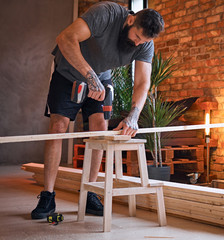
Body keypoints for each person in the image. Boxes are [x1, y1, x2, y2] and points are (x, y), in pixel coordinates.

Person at [31, 1, 164, 219]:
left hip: (101, 77)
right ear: (130, 21)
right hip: (68, 72)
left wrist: (133, 116)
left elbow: (142, 82)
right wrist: (89, 76)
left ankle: (90, 192)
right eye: (136, 37)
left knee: (100, 128)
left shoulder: (145, 44)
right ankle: (47, 195)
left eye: (144, 41)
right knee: (58, 127)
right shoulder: (107, 13)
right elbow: (65, 38)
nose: (138, 43)